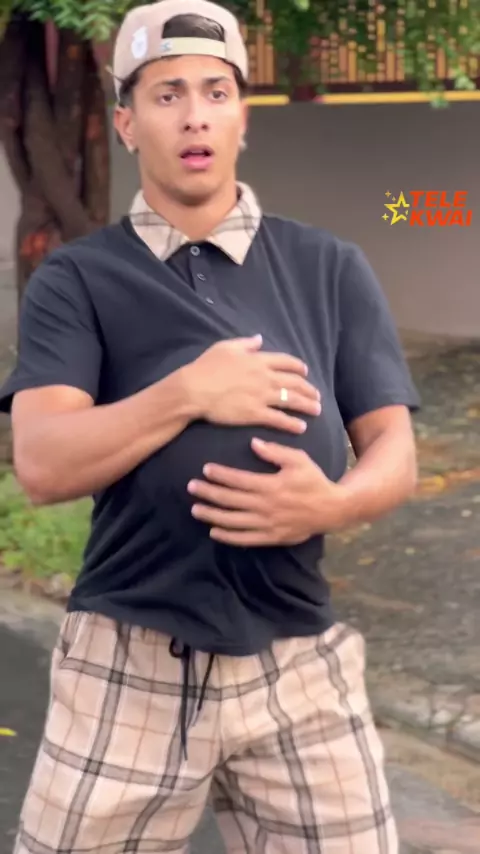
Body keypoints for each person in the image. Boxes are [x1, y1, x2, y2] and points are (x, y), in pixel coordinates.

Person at [0, 1, 421, 851]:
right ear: (127, 123)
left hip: (300, 662)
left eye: (215, 91)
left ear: (241, 118)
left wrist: (333, 505)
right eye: (166, 95)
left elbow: (394, 450)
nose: (194, 114)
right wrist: (189, 392)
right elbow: (42, 465)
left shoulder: (328, 266)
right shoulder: (78, 280)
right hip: (128, 664)